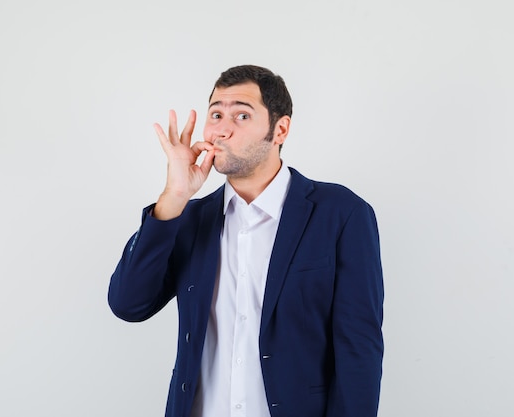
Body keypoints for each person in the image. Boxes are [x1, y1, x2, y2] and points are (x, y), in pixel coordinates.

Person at [108, 65, 384, 417]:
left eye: (241, 115)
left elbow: (359, 348)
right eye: (216, 114)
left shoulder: (341, 213)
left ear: (279, 129)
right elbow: (128, 304)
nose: (222, 129)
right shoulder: (188, 219)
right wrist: (174, 196)